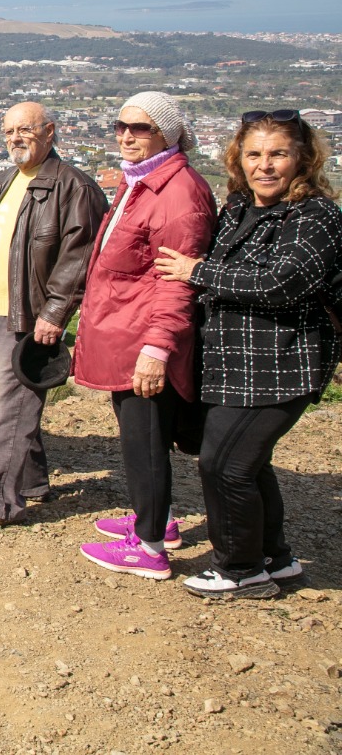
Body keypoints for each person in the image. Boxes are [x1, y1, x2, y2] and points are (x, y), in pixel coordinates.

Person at [153, 110, 341, 598]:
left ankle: (240, 570)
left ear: (302, 158)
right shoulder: (239, 207)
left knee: (224, 465)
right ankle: (275, 559)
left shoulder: (315, 215)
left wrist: (197, 272)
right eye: (254, 154)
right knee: (249, 464)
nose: (265, 165)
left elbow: (283, 282)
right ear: (238, 159)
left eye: (278, 154)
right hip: (232, 363)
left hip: (282, 364)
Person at [72, 91, 214, 580]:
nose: (127, 136)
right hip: (125, 331)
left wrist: (157, 348)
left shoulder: (178, 194)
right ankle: (156, 519)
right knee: (139, 437)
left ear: (168, 134)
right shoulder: (143, 181)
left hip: (142, 338)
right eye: (121, 126)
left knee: (146, 439)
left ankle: (150, 546)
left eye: (141, 128)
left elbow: (176, 285)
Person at [0, 102, 108, 529]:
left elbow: (79, 259)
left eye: (25, 129)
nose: (15, 138)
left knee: (4, 412)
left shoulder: (74, 187)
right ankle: (32, 482)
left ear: (49, 131)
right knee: (13, 404)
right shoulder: (5, 180)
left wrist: (54, 313)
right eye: (8, 132)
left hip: (29, 316)